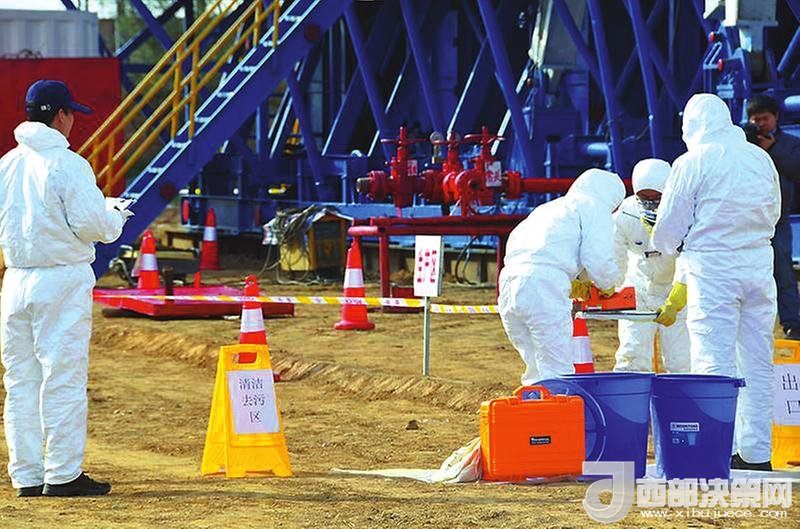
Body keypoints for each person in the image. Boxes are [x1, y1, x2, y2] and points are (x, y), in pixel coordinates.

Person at [0, 80, 133, 496]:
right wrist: (115, 215)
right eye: (70, 113)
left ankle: (26, 475)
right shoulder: (68, 164)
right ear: (61, 115)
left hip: (16, 279)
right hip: (60, 278)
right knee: (62, 377)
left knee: (20, 382)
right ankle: (62, 474)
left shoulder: (7, 164)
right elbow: (92, 226)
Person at [652, 93, 780, 471]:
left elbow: (669, 226)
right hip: (759, 264)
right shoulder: (760, 158)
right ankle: (756, 454)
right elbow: (774, 210)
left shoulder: (692, 162)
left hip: (713, 269)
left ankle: (717, 449)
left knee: (713, 360)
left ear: (692, 125)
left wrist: (670, 246)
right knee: (757, 360)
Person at [499, 168, 625, 383]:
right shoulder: (595, 207)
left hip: (509, 282)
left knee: (535, 366)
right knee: (558, 367)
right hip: (544, 286)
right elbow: (597, 257)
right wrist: (608, 284)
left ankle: (536, 401)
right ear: (612, 198)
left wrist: (572, 281)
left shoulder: (549, 208)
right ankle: (559, 402)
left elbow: (544, 250)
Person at [612, 158, 690, 373]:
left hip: (677, 292)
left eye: (656, 197)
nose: (650, 203)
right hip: (639, 289)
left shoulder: (685, 213)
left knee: (682, 360)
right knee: (631, 355)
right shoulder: (626, 214)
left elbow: (692, 258)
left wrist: (679, 297)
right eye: (644, 198)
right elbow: (615, 255)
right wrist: (609, 286)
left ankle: (683, 395)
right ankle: (630, 393)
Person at [746, 94, 800, 340]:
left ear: (776, 117)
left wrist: (772, 149)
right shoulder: (743, 144)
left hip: (778, 221)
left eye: (764, 119)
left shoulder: (790, 144)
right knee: (748, 275)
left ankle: (792, 323)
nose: (760, 124)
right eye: (755, 120)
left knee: (783, 272)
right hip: (747, 220)